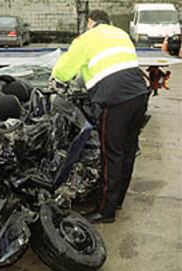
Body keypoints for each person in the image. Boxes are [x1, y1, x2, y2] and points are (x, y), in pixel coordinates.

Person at [51, 10, 149, 223]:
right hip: (139, 95)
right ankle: (117, 200)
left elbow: (63, 71)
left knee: (111, 154)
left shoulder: (86, 39)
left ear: (90, 22)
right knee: (127, 150)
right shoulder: (121, 34)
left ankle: (106, 211)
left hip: (116, 101)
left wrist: (56, 78)